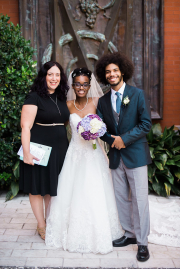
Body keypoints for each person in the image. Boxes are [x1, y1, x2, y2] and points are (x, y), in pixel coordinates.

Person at [45, 67, 124, 254]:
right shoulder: (68, 104)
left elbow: (106, 125)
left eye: (85, 84)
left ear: (90, 85)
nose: (81, 87)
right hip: (74, 154)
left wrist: (102, 134)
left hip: (93, 154)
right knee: (71, 191)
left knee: (94, 191)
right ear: (73, 85)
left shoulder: (97, 101)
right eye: (78, 84)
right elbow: (59, 125)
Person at [96, 52, 152, 262]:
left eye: (115, 71)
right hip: (116, 157)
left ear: (122, 72)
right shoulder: (102, 101)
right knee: (120, 199)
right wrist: (112, 140)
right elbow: (100, 128)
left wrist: (124, 139)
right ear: (104, 75)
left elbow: (145, 124)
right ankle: (129, 235)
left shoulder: (137, 94)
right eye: (108, 72)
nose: (112, 74)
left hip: (135, 156)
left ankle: (143, 242)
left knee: (140, 200)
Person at [19, 61, 70, 240]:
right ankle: (41, 225)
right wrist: (26, 152)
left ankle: (50, 220)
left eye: (57, 75)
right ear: (44, 76)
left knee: (51, 186)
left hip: (59, 148)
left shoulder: (61, 96)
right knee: (36, 188)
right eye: (50, 74)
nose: (54, 78)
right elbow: (25, 127)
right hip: (39, 148)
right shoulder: (34, 97)